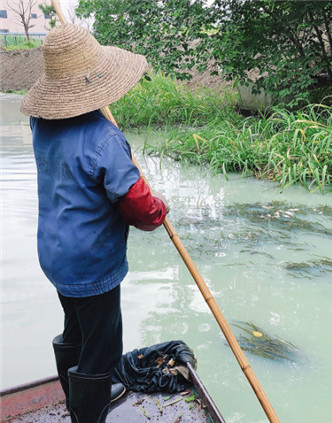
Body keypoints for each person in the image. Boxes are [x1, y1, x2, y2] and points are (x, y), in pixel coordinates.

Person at [20, 23, 168, 423]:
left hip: (54, 254)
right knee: (102, 341)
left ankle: (78, 392)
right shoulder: (105, 139)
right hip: (91, 263)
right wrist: (160, 208)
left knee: (76, 327)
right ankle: (89, 408)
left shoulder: (40, 125)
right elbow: (140, 209)